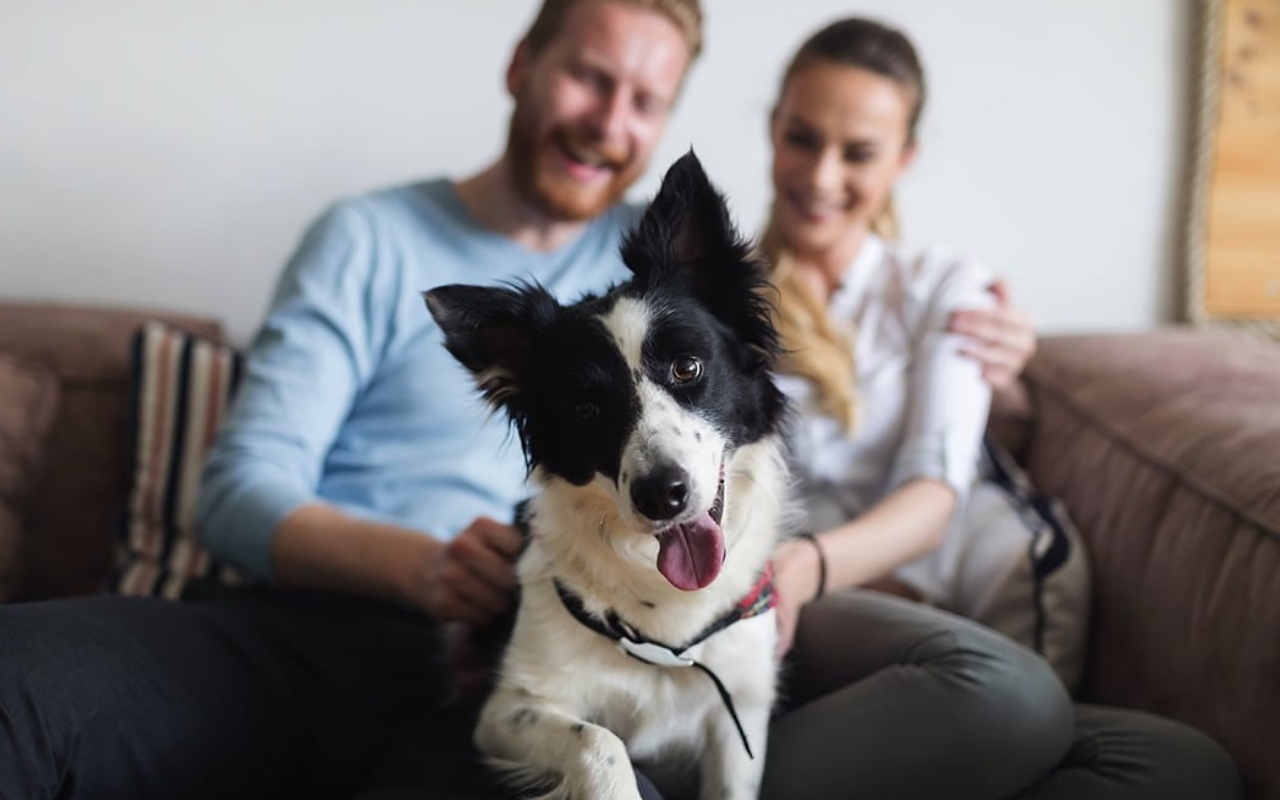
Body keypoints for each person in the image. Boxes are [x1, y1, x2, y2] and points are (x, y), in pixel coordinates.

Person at [0, 3, 1052, 800]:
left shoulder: (655, 263)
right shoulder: (369, 236)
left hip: (540, 659)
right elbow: (235, 487)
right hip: (309, 628)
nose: (609, 121)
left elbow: (782, 317)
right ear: (520, 64)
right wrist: (418, 564)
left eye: (645, 101)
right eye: (589, 78)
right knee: (26, 679)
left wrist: (995, 353)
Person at [753, 16, 1244, 800]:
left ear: (905, 159)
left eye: (859, 153)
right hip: (792, 610)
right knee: (1003, 693)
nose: (821, 176)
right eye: (803, 138)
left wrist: (815, 563)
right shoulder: (712, 302)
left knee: (1187, 769)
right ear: (773, 128)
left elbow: (934, 496)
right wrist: (801, 575)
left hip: (865, 597)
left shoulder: (945, 287)